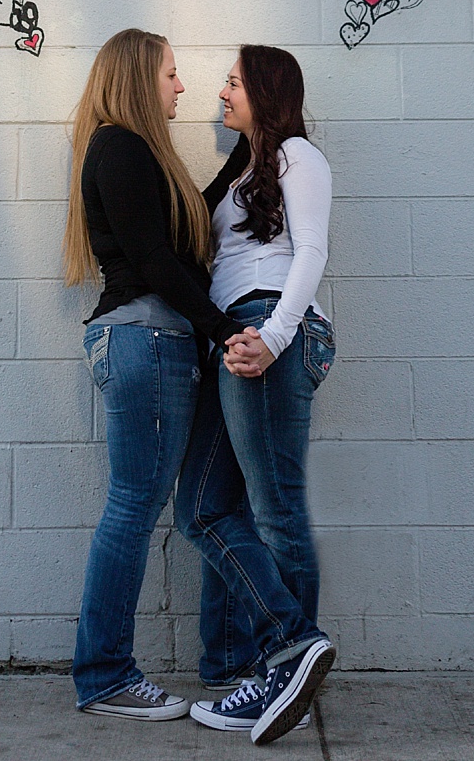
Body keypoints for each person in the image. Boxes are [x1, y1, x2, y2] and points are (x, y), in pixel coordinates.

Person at [65, 28, 253, 720]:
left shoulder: (136, 153)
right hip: (144, 338)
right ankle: (106, 674)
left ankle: (105, 672)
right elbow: (153, 259)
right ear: (141, 78)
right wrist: (223, 327)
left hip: (153, 341)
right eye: (172, 74)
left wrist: (243, 161)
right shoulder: (120, 144)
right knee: (134, 505)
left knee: (137, 505)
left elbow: (183, 228)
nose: (181, 86)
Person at [179, 45, 338, 744]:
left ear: (266, 92)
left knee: (274, 509)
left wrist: (272, 336)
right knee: (210, 507)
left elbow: (310, 252)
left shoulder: (300, 155)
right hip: (234, 339)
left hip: (269, 329)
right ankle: (246, 666)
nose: (220, 92)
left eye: (234, 82)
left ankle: (287, 665)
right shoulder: (243, 167)